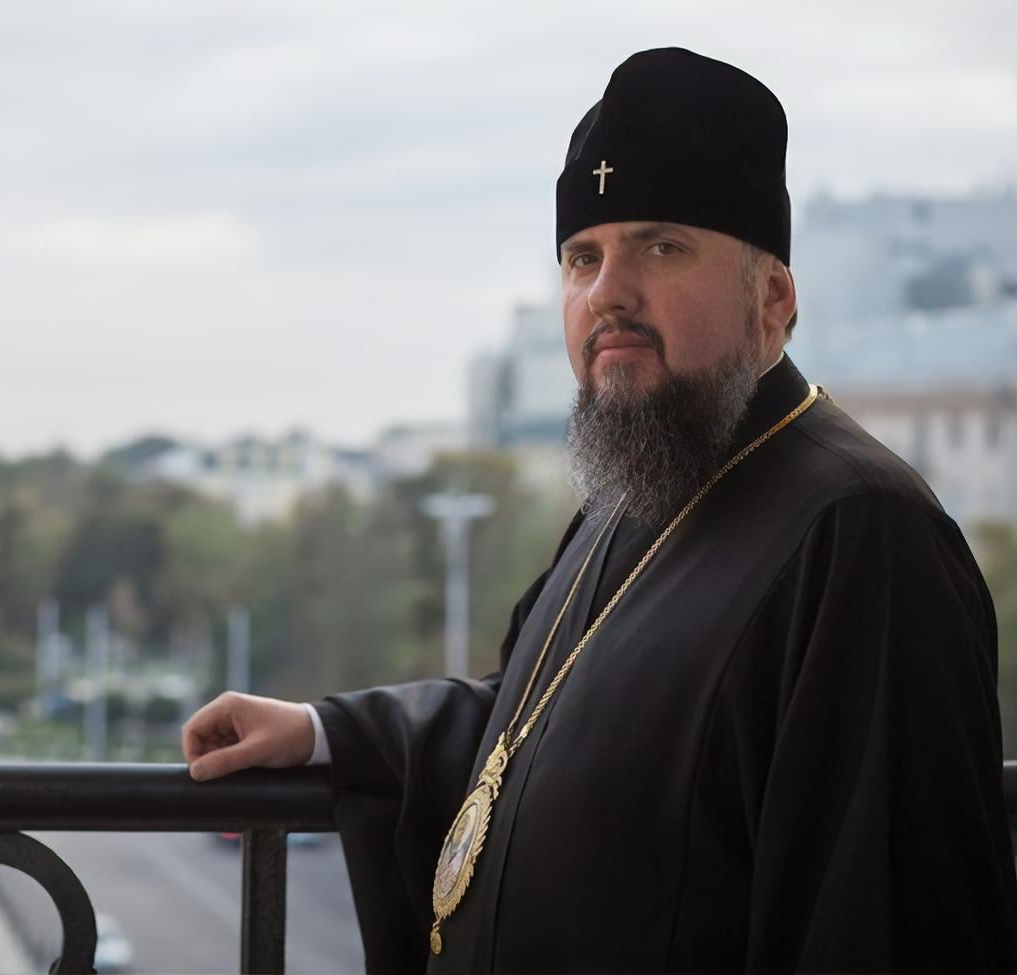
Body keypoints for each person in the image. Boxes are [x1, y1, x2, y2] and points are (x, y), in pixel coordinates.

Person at [182, 48, 1017, 973]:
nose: (608, 293)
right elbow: (540, 724)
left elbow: (884, 922)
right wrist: (326, 733)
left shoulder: (860, 533)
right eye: (584, 258)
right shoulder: (636, 490)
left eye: (662, 247)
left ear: (773, 298)